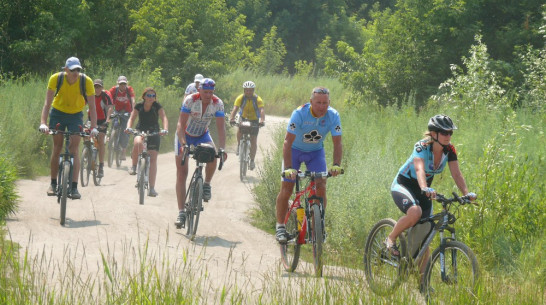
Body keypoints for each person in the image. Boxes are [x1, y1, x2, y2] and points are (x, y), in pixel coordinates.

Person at [386, 115, 476, 283]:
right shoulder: (421, 147)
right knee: (415, 212)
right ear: (434, 134)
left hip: (424, 190)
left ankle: (422, 284)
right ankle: (390, 238)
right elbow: (419, 169)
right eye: (444, 132)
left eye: (450, 132)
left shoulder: (450, 150)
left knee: (426, 235)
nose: (448, 136)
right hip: (404, 185)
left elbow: (456, 174)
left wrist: (466, 193)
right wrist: (424, 187)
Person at [275, 87, 343, 243]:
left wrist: (336, 164)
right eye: (318, 102)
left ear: (329, 103)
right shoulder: (299, 114)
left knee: (321, 185)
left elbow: (337, 142)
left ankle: (319, 225)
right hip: (294, 151)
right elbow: (287, 142)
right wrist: (288, 168)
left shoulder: (333, 116)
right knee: (287, 187)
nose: (321, 106)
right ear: (311, 101)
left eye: (325, 103)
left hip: (315, 152)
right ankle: (280, 227)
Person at [39, 57, 98, 199]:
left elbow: (92, 107)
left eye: (78, 70)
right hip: (57, 113)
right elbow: (47, 104)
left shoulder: (86, 81)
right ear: (66, 69)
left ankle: (74, 187)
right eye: (72, 70)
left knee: (74, 150)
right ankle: (53, 184)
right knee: (57, 147)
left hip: (76, 115)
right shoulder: (56, 78)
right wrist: (43, 123)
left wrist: (94, 127)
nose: (75, 73)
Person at [174, 78, 227, 227]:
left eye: (211, 92)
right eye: (205, 92)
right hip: (184, 135)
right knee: (182, 173)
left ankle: (207, 184)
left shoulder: (218, 104)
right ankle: (181, 213)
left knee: (214, 155)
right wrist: (184, 144)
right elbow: (180, 124)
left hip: (202, 134)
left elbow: (221, 129)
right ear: (199, 90)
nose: (208, 95)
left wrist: (222, 148)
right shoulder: (190, 100)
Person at [125, 88, 169, 197]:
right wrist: (128, 127)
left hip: (154, 131)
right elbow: (132, 118)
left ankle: (152, 188)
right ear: (144, 96)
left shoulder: (157, 106)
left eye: (153, 96)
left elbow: (164, 118)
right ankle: (134, 166)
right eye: (148, 95)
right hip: (140, 130)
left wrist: (165, 129)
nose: (151, 98)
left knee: (153, 159)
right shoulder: (139, 106)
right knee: (138, 143)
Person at [228, 81, 265, 170]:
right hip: (244, 118)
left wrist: (262, 120)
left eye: (250, 90)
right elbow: (235, 109)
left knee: (253, 140)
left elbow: (262, 110)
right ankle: (238, 145)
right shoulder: (240, 98)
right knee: (239, 130)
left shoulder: (258, 99)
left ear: (253, 90)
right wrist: (232, 118)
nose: (249, 92)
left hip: (254, 120)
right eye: (247, 90)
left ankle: (252, 160)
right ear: (244, 90)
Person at [109, 75, 135, 163]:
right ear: (118, 84)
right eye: (121, 84)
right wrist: (109, 111)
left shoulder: (129, 90)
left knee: (125, 130)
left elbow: (133, 100)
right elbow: (108, 100)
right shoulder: (114, 90)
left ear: (126, 84)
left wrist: (133, 112)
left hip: (127, 111)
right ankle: (112, 137)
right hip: (117, 110)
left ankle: (123, 152)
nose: (122, 86)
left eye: (124, 84)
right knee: (114, 124)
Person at [90, 79, 113, 178]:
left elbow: (110, 108)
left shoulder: (105, 95)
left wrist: (107, 120)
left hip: (102, 120)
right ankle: (87, 155)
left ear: (102, 88)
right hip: (91, 119)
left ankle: (101, 166)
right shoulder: (90, 94)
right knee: (86, 136)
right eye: (95, 87)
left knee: (101, 139)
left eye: (98, 87)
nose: (96, 89)